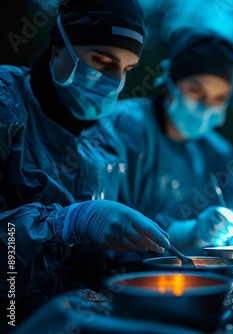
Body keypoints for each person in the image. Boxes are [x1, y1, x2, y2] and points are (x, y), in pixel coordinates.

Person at [0, 0, 170, 328]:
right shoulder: (7, 107)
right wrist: (64, 224)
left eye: (127, 69)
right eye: (102, 61)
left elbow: (108, 256)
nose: (115, 81)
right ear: (59, 44)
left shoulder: (106, 141)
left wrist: (174, 237)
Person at [110, 26, 233, 256]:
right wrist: (188, 232)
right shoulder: (125, 128)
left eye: (219, 98)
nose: (207, 105)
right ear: (170, 84)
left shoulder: (219, 155)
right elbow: (110, 222)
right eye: (196, 91)